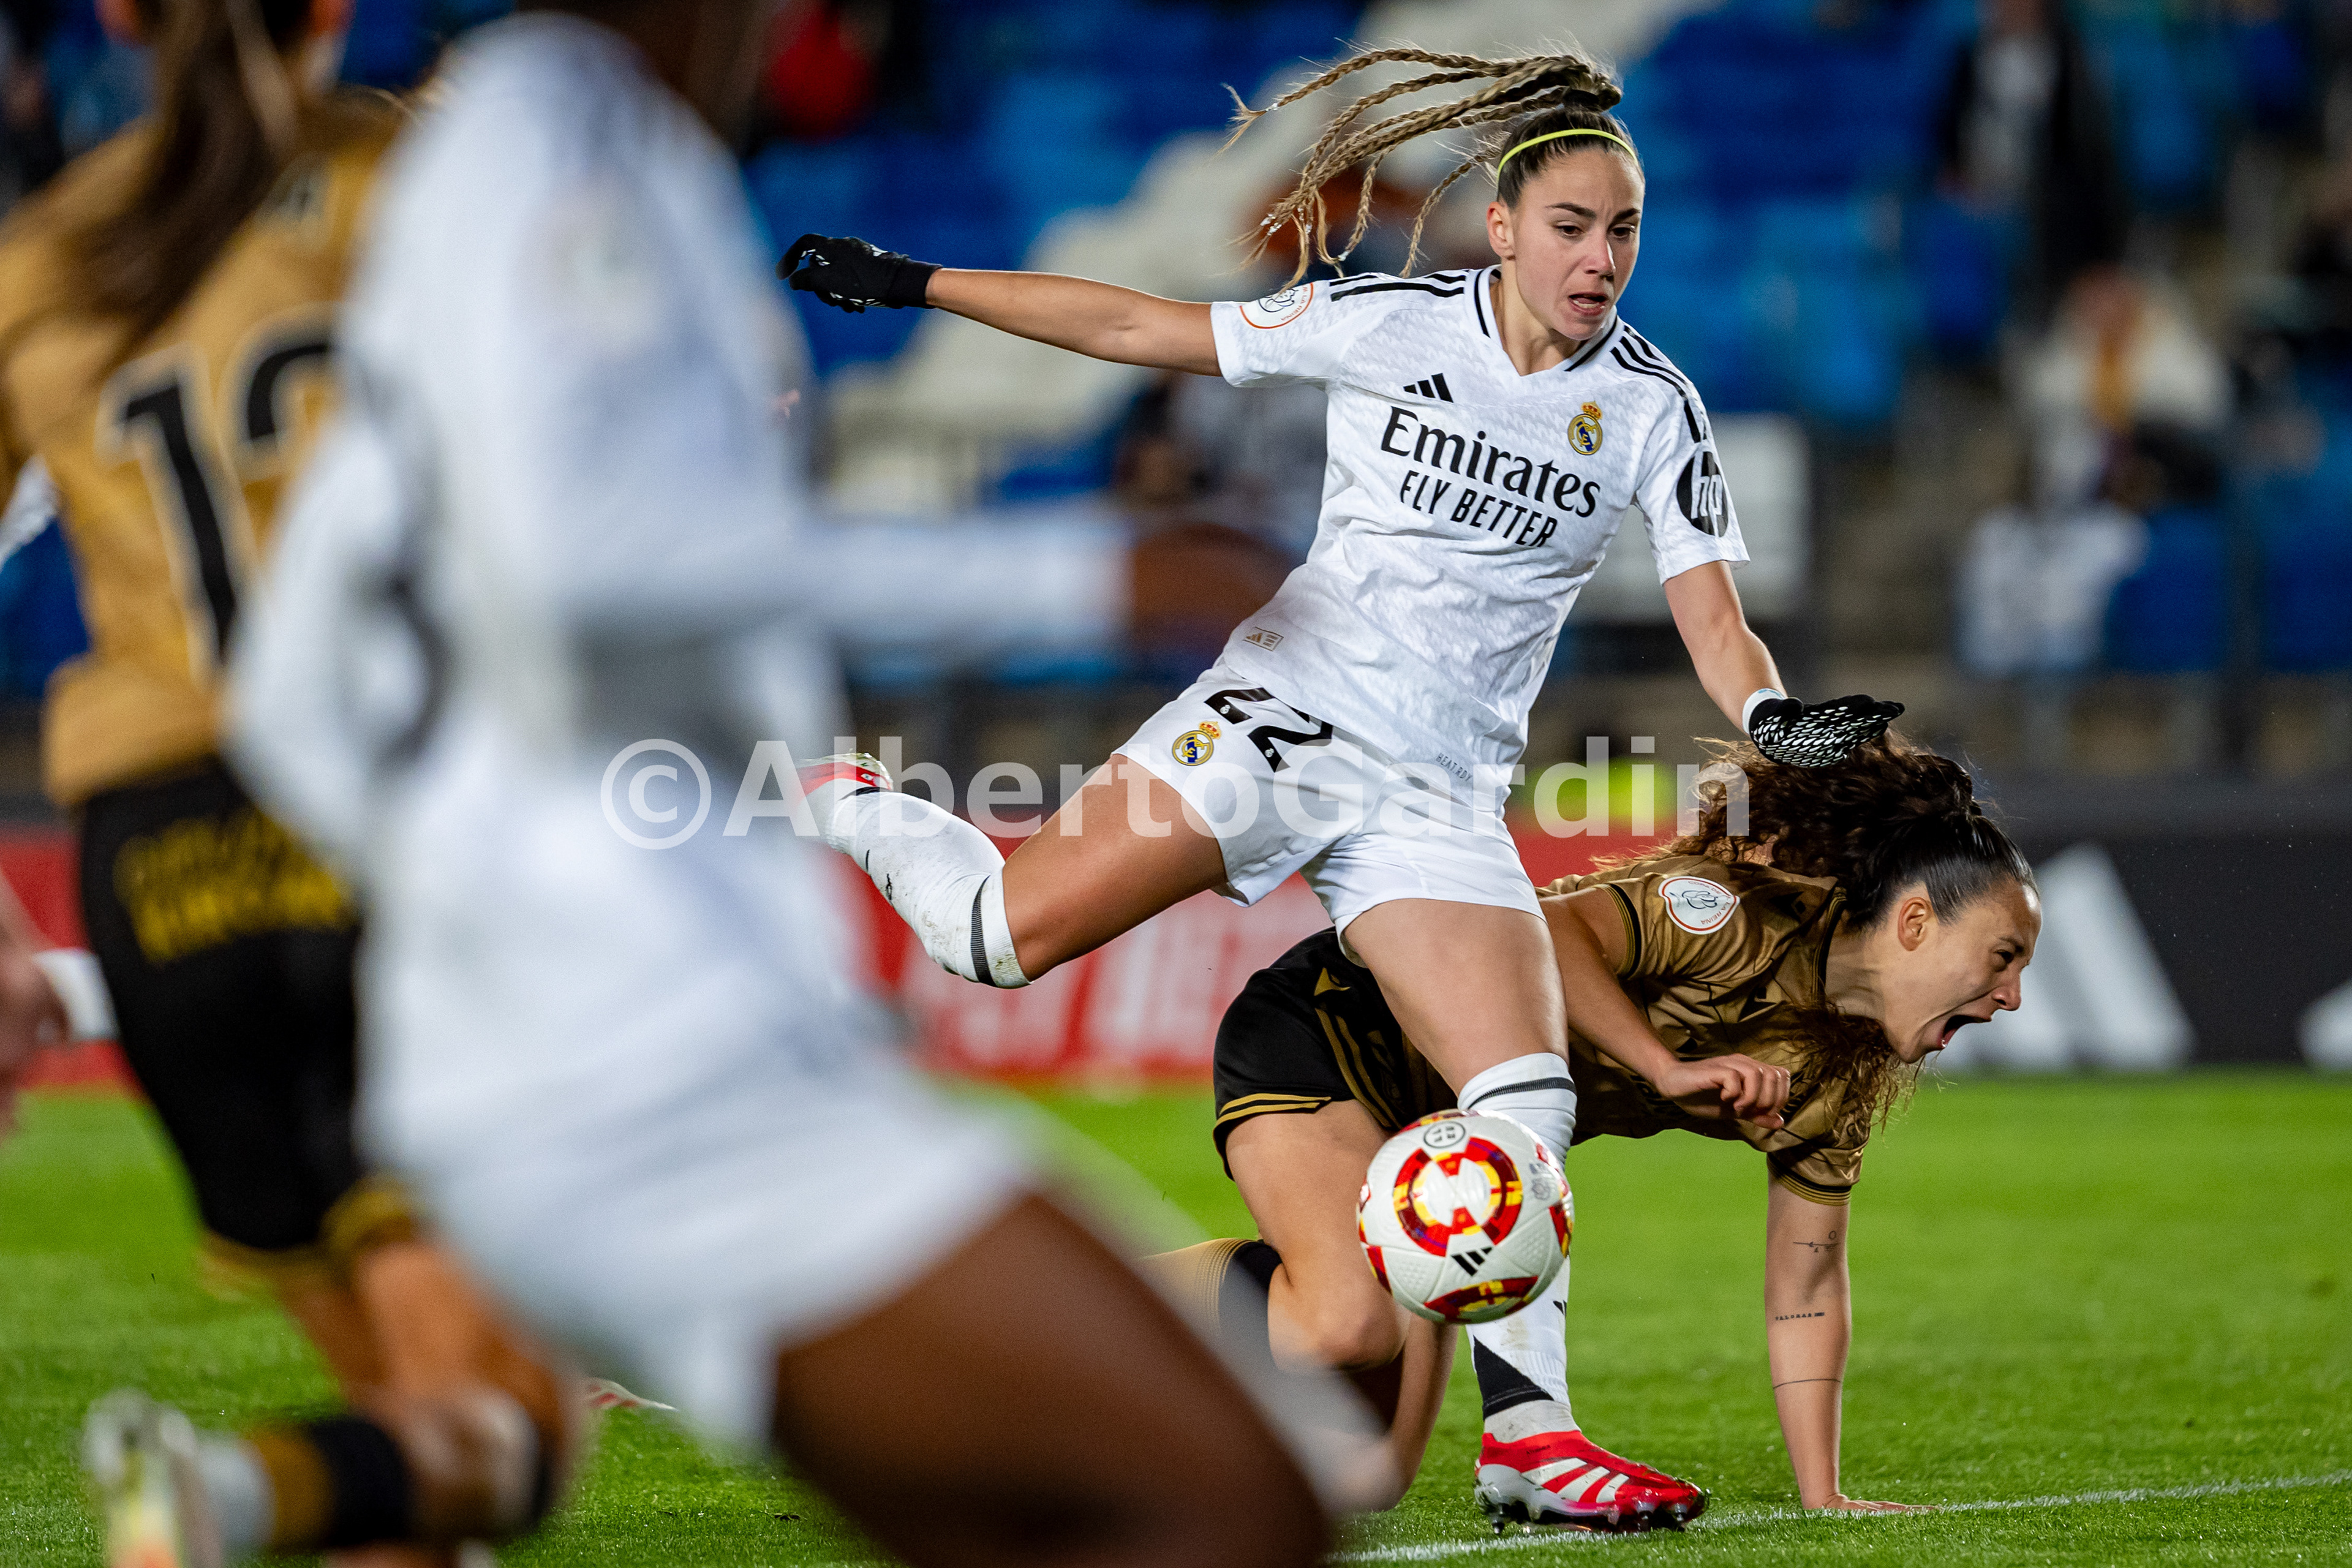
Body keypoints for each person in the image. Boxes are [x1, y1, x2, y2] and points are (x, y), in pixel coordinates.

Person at [113, 3, 1367, 1565]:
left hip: (605, 1057)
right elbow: (573, 564)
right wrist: (1077, 572)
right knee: (1231, 1491)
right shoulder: (556, 134)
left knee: (1037, 1513)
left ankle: (250, 1495)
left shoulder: (531, 162)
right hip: (659, 1068)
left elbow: (296, 688)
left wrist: (452, 910)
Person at [782, 41, 1900, 1511]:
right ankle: (856, 796)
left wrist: (1772, 717)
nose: (1600, 258)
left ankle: (1531, 1445)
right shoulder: (1386, 321)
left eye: (1623, 230)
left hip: (1439, 790)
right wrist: (921, 283)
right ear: (1501, 226)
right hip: (1285, 716)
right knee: (994, 938)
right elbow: (1135, 323)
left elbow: (1715, 620)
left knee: (1523, 1086)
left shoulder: (1652, 407)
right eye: (1571, 226)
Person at [0, 4, 578, 1566]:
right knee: (510, 1425)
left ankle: (268, 1493)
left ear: (118, 15)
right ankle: (221, 1495)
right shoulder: (419, 183)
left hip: (159, 864)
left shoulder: (41, 258)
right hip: (385, 823)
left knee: (404, 1436)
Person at [1202, 732, 2040, 1526]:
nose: (2011, 998)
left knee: (1369, 1481)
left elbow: (1807, 1291)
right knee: (1346, 1326)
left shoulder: (1837, 1079)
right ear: (1916, 923)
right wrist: (1663, 1067)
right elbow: (1547, 932)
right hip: (1334, 1027)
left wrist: (1823, 1494)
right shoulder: (1733, 915)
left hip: (1452, 1151)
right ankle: (1126, 1300)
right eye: (2003, 957)